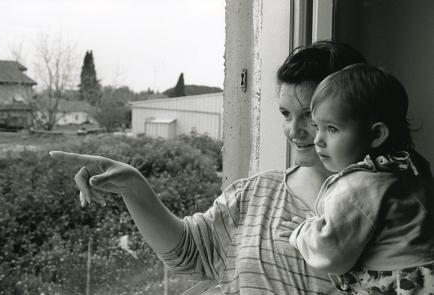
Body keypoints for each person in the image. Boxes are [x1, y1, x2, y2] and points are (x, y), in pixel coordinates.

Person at [49, 41, 366, 294]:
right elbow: (188, 252)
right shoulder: (255, 195)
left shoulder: (391, 205)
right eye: (285, 113)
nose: (294, 130)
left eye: (310, 115)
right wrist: (133, 186)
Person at [285, 64, 434, 294]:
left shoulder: (356, 188)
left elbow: (330, 253)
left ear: (376, 134)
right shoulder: (411, 164)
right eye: (317, 126)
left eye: (332, 129)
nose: (318, 140)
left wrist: (302, 232)